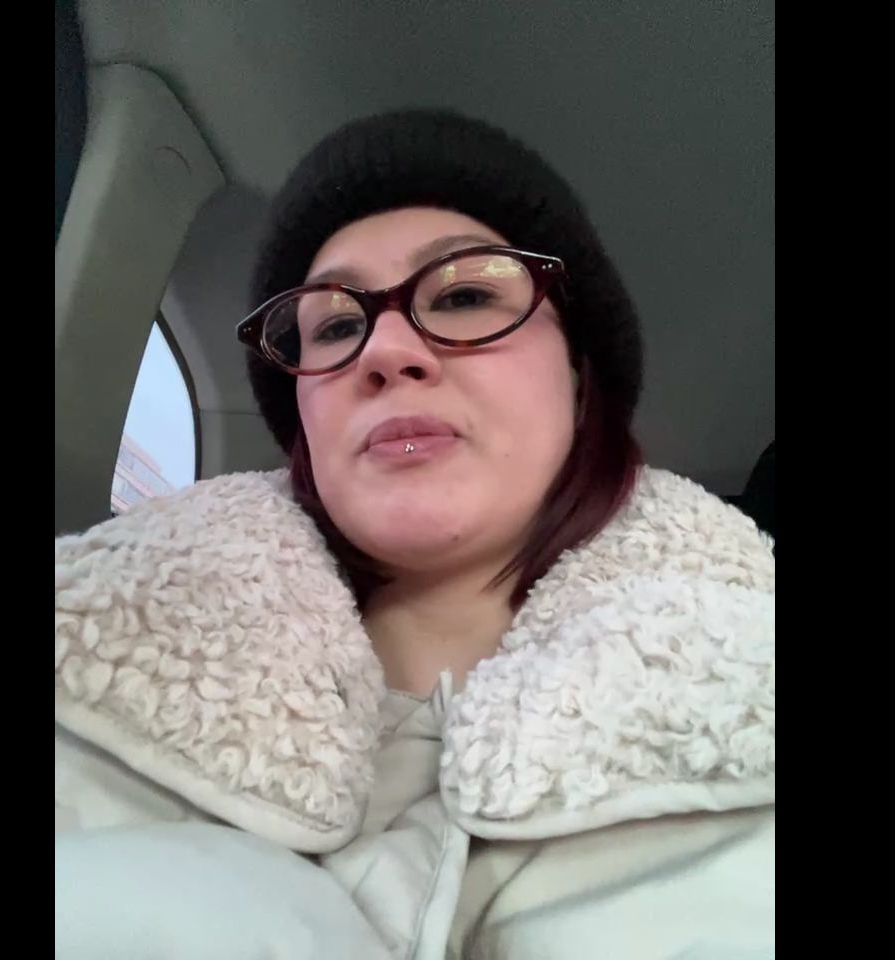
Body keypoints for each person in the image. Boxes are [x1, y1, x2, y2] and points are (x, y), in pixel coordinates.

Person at [55, 109, 775, 959]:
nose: (384, 351)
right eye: (333, 325)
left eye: (466, 296)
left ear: (581, 379)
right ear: (303, 419)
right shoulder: (86, 664)